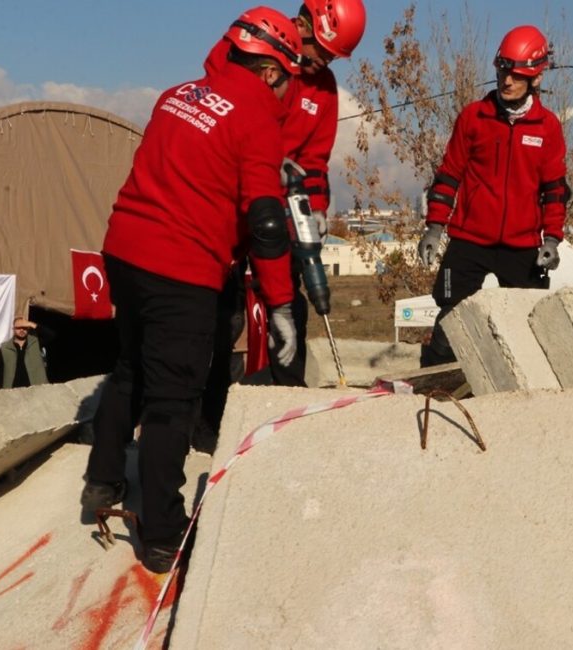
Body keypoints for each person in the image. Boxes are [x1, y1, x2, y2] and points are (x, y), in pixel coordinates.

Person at [81, 6, 303, 574]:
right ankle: (162, 535)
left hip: (125, 249)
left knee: (130, 367)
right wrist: (280, 304)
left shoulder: (178, 94)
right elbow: (266, 223)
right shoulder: (256, 109)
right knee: (171, 404)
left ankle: (102, 484)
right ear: (274, 70)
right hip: (180, 269)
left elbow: (195, 173)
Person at [196, 0, 367, 445]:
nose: (323, 63)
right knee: (222, 316)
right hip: (231, 204)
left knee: (289, 306)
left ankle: (286, 405)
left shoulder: (323, 90)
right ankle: (207, 424)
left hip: (282, 210)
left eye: (331, 58)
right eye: (322, 51)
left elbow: (314, 162)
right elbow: (220, 101)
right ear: (304, 24)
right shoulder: (246, 47)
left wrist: (317, 210)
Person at [417, 25, 570, 366]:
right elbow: (448, 174)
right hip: (470, 240)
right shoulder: (474, 118)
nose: (507, 81)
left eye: (517, 75)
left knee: (530, 328)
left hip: (522, 247)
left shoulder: (547, 127)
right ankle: (434, 390)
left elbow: (555, 190)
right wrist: (434, 227)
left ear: (536, 78)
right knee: (448, 324)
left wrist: (553, 239)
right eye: (503, 70)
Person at [0, 317, 49, 389]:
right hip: (12, 391)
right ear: (13, 329)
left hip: (35, 389)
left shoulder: (36, 342)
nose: (22, 330)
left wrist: (32, 324)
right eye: (18, 328)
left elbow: (51, 335)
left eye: (24, 327)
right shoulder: (5, 348)